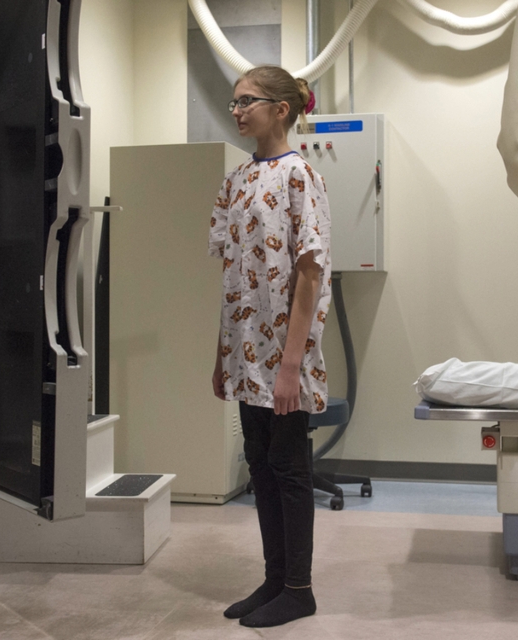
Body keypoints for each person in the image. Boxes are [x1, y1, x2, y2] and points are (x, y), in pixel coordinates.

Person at [208, 65, 332, 628]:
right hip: (243, 352)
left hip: (284, 357)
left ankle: (299, 588)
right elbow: (232, 273)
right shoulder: (235, 180)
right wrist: (221, 354)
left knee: (287, 465)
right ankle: (273, 577)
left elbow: (309, 276)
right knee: (257, 463)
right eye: (233, 102)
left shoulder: (301, 176)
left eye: (247, 101)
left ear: (281, 109)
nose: (236, 111)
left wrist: (290, 364)